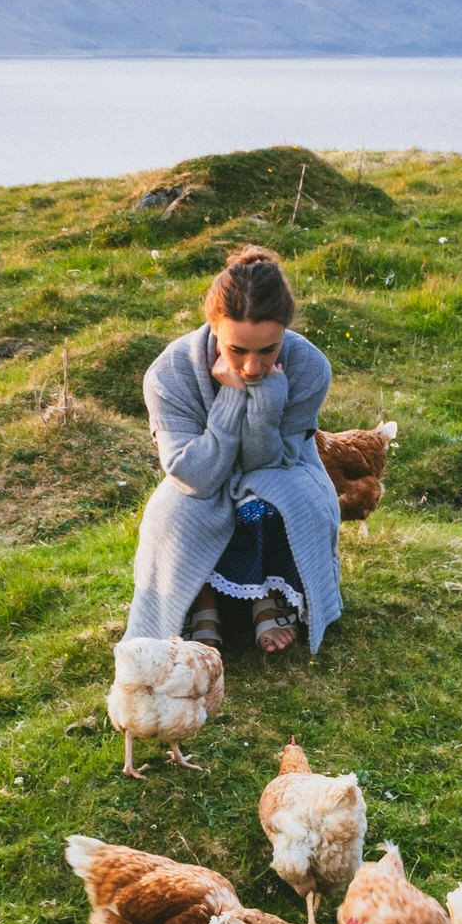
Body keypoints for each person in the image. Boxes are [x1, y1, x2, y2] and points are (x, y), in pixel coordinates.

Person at [125, 245, 341, 657]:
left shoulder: (311, 366)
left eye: (268, 350)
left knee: (276, 500)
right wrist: (230, 400)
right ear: (213, 328)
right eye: (237, 350)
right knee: (176, 512)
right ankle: (201, 605)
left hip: (281, 469)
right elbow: (195, 477)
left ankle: (268, 595)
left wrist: (267, 399)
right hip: (199, 477)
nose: (252, 368)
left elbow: (270, 465)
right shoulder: (167, 375)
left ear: (285, 334)